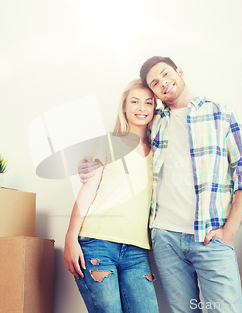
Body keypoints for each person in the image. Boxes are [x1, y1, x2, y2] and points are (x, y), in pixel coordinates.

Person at [80, 56, 242, 313]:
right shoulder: (154, 121)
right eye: (155, 83)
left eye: (165, 74)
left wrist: (229, 232)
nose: (163, 83)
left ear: (180, 72)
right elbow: (125, 149)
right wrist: (88, 164)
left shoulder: (222, 113)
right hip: (165, 238)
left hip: (211, 235)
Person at [63, 78, 159, 313]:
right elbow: (87, 191)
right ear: (124, 107)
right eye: (135, 101)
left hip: (137, 250)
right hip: (96, 245)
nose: (142, 108)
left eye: (148, 103)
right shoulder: (107, 142)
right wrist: (70, 238)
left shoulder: (159, 152)